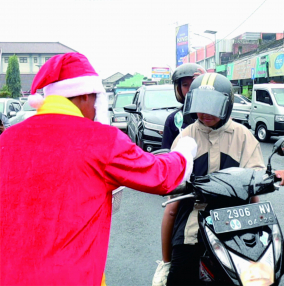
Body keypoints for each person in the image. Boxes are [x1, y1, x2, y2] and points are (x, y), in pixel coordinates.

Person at [0, 52, 198, 286]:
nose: (95, 109)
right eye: (95, 99)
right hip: (73, 277)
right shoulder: (99, 140)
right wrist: (186, 147)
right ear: (84, 94)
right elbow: (162, 176)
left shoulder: (8, 138)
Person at [166, 73, 284, 285]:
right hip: (194, 218)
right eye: (200, 105)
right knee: (178, 269)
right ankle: (164, 264)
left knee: (260, 272)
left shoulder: (243, 136)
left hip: (235, 219)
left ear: (227, 105)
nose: (205, 113)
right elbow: (172, 174)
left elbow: (255, 176)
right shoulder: (185, 136)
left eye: (213, 106)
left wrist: (269, 180)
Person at [153, 63, 206, 286]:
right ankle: (166, 263)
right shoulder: (175, 120)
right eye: (186, 85)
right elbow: (166, 157)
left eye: (195, 84)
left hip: (217, 181)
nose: (190, 88)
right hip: (185, 184)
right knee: (171, 209)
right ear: (178, 89)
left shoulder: (217, 112)